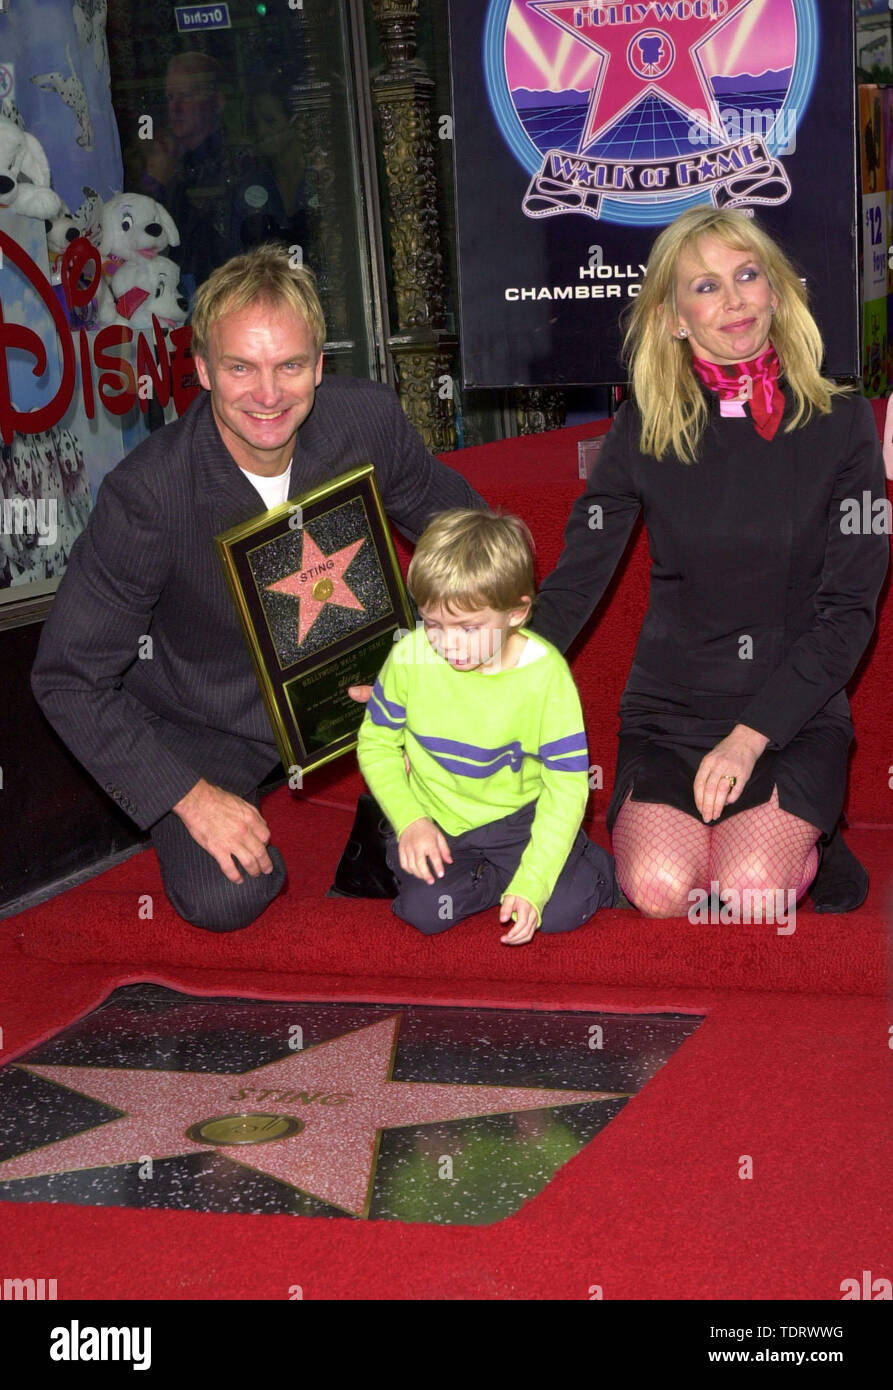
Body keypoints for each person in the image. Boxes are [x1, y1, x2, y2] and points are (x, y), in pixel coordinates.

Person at [31, 244, 484, 933]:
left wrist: (446, 642)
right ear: (204, 369)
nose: (268, 394)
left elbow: (467, 535)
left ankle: (391, 801)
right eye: (241, 367)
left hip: (366, 681)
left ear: (319, 367)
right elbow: (66, 676)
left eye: (289, 366)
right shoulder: (149, 494)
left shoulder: (365, 419)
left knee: (501, 769)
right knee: (227, 897)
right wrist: (187, 797)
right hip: (214, 719)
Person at [527, 206, 889, 918]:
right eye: (704, 286)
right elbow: (576, 579)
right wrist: (465, 673)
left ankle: (814, 829)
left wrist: (751, 740)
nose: (733, 300)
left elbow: (849, 612)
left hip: (790, 708)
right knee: (662, 891)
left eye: (747, 276)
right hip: (673, 709)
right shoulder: (642, 426)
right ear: (671, 318)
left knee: (752, 890)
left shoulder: (842, 423)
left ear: (776, 292)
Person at [356, 509, 616, 943]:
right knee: (423, 913)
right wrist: (410, 821)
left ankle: (582, 867)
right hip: (438, 817)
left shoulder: (546, 677)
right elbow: (376, 744)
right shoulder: (410, 656)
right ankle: (498, 878)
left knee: (559, 911)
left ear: (516, 613)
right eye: (433, 624)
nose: (447, 644)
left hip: (518, 818)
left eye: (469, 628)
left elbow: (567, 786)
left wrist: (534, 882)